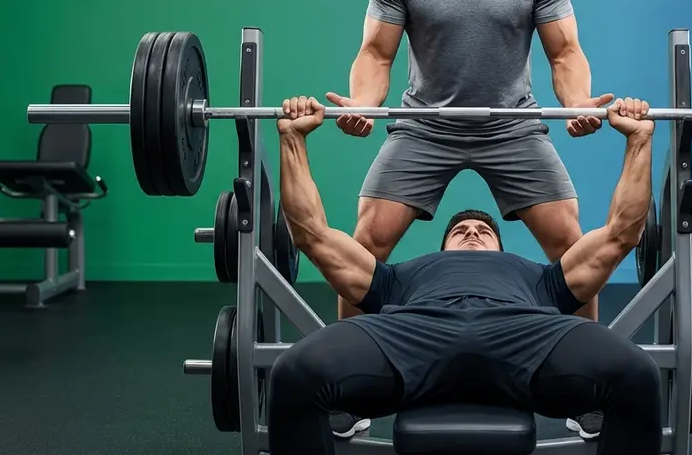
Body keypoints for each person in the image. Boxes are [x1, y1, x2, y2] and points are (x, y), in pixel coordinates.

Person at [323, 0, 608, 440]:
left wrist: (579, 104)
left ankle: (587, 384)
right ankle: (349, 383)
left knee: (574, 247)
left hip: (513, 125)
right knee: (364, 242)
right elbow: (376, 54)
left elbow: (565, 53)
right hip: (426, 125)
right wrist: (365, 107)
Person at [270, 95, 660, 455]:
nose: (472, 231)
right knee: (293, 373)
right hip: (412, 332)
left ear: (503, 255)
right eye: (460, 231)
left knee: (638, 374)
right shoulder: (399, 278)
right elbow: (312, 235)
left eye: (483, 231)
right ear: (441, 253)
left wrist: (639, 141)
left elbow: (620, 234)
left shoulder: (540, 280)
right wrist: (292, 139)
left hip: (526, 334)